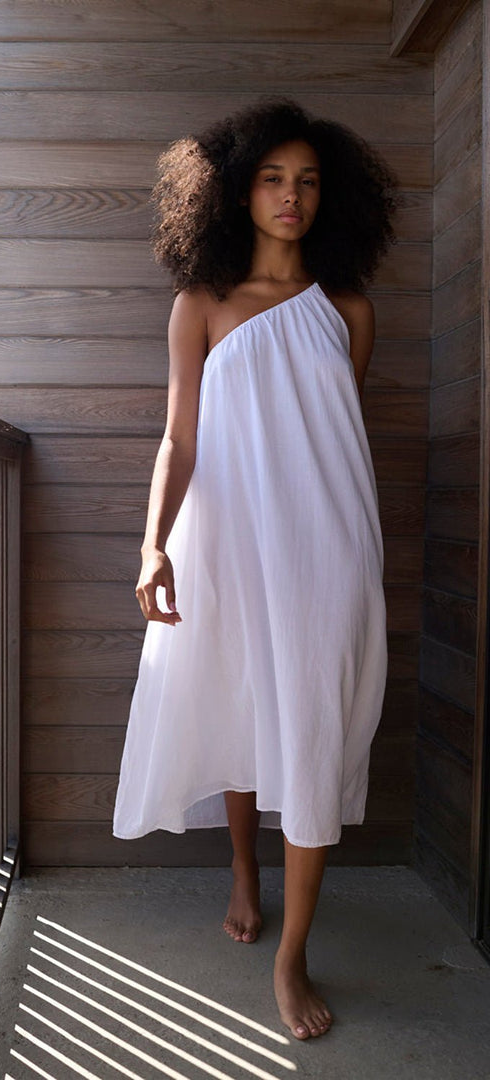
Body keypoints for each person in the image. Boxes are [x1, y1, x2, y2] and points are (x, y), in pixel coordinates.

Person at [112, 96, 400, 1041]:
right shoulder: (201, 304)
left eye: (308, 181)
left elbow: (327, 437)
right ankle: (244, 868)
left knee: (312, 723)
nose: (291, 196)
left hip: (328, 545)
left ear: (328, 196)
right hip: (231, 538)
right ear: (239, 192)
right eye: (273, 178)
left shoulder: (348, 311)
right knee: (242, 697)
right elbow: (181, 438)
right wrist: (154, 542)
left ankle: (293, 955)